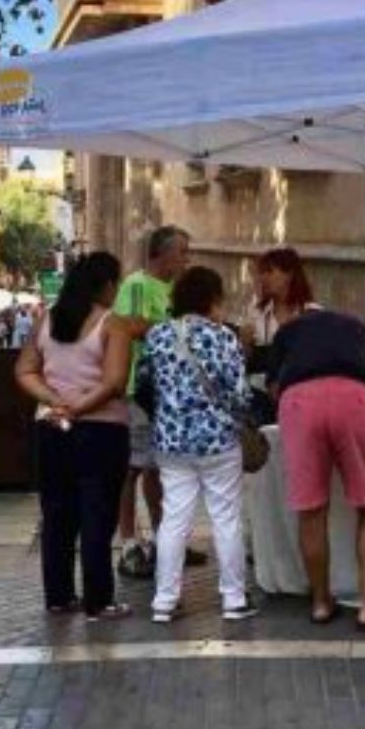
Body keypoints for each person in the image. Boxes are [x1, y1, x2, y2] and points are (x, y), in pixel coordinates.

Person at [268, 305, 365, 630]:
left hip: (300, 400)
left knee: (310, 509)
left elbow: (274, 388)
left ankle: (320, 602)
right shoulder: (356, 325)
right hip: (354, 397)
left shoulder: (288, 330)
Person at [16, 253, 134, 621]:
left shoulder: (47, 319)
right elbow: (115, 382)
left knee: (57, 514)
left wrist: (55, 401)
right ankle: (99, 599)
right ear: (107, 285)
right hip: (102, 430)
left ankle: (59, 596)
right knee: (97, 514)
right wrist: (81, 407)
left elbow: (24, 370)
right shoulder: (112, 325)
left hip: (51, 427)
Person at [137, 266, 258, 623]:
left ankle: (164, 601)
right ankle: (234, 599)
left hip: (172, 442)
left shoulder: (157, 336)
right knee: (226, 517)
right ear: (212, 299)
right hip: (219, 440)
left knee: (173, 518)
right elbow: (239, 394)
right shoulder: (223, 337)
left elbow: (144, 384)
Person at [113, 225, 192, 579]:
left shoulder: (179, 289)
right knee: (131, 465)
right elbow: (127, 325)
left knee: (159, 468)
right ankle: (129, 541)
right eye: (182, 252)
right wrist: (173, 329)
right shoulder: (136, 285)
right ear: (160, 253)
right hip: (138, 389)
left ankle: (165, 539)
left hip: (170, 391)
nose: (186, 259)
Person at [251, 247, 319, 345]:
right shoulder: (257, 314)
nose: (263, 278)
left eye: (270, 271)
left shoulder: (312, 314)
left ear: (289, 274)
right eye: (262, 272)